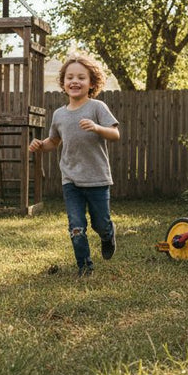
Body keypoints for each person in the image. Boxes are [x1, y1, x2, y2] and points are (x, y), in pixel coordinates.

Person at [29, 53, 121, 277]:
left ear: (92, 83)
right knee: (77, 227)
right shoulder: (59, 114)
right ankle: (85, 268)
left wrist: (97, 128)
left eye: (81, 77)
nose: (75, 81)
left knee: (100, 224)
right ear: (63, 83)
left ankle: (108, 235)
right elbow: (54, 142)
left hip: (97, 179)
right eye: (70, 77)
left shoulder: (97, 107)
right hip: (71, 180)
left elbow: (115, 134)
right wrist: (40, 145)